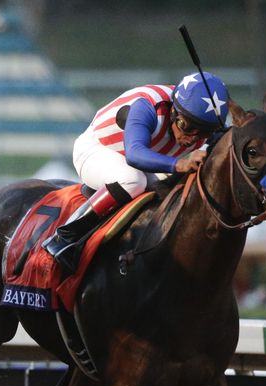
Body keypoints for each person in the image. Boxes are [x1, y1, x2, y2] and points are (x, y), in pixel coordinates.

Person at [43, 71, 230, 273]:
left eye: (204, 132)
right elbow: (134, 153)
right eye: (186, 126)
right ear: (174, 111)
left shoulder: (208, 124)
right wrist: (178, 165)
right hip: (98, 150)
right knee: (133, 181)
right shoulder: (148, 106)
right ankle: (65, 237)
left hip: (143, 163)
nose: (193, 139)